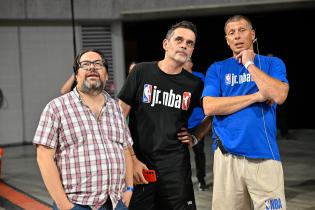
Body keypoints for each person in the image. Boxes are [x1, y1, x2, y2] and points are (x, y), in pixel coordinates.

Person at [117, 21, 211, 210]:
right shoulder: (141, 71)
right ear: (165, 44)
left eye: (190, 43)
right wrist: (132, 159)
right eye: (179, 39)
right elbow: (118, 119)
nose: (185, 45)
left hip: (176, 169)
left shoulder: (195, 85)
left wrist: (195, 135)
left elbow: (214, 112)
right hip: (141, 165)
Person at [202, 15, 289, 210]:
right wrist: (256, 97)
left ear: (253, 34)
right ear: (227, 40)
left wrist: (250, 64)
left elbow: (279, 95)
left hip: (264, 155)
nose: (237, 36)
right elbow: (210, 106)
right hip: (227, 158)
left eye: (242, 30)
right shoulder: (218, 68)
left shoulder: (271, 63)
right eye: (231, 33)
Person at [33, 49, 134, 210]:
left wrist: (129, 188)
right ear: (76, 75)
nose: (92, 68)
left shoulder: (115, 108)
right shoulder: (56, 108)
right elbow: (44, 157)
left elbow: (125, 149)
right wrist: (64, 205)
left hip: (116, 202)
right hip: (77, 204)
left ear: (106, 75)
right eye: (85, 64)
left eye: (98, 64)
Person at [183, 59, 209, 191]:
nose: (184, 63)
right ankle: (184, 182)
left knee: (199, 153)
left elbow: (206, 96)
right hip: (182, 123)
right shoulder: (177, 77)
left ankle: (201, 180)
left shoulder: (200, 77)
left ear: (191, 64)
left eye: (187, 61)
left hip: (197, 123)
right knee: (182, 155)